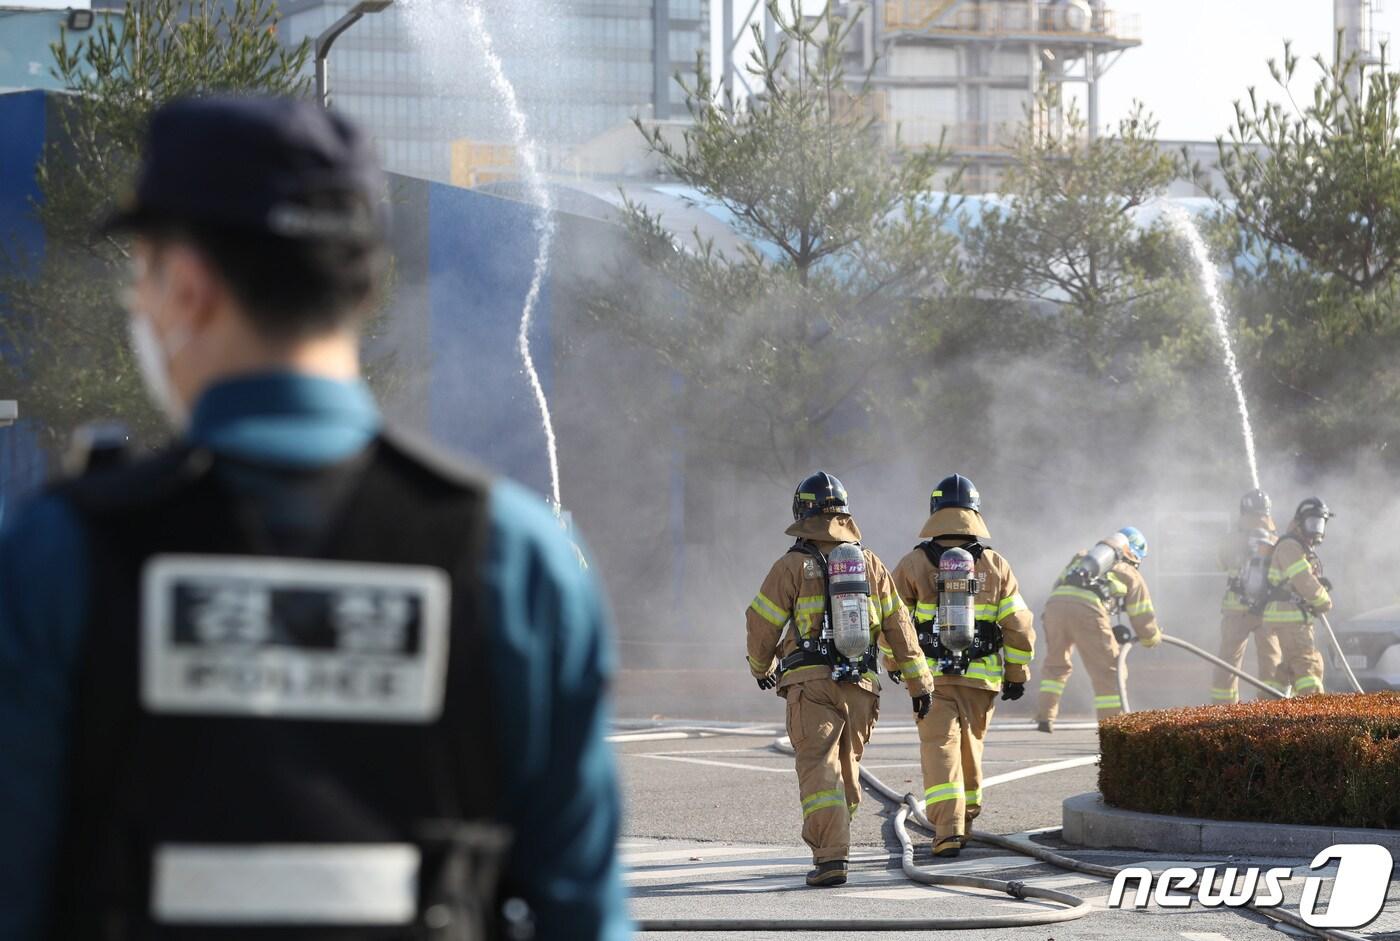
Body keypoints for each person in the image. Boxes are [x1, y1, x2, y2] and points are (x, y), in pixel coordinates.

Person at [0, 96, 627, 939]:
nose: (140, 306)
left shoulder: (57, 557)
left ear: (186, 285)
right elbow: (583, 914)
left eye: (141, 275)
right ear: (363, 286)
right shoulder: (520, 563)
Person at [746, 471, 934, 888]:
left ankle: (831, 856)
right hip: (862, 686)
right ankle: (837, 844)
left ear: (802, 513)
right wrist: (921, 683)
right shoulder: (868, 563)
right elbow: (899, 626)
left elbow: (761, 624)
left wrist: (760, 668)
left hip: (810, 684)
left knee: (819, 770)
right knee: (845, 770)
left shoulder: (791, 565)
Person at [890, 475, 1034, 858]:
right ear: (974, 513)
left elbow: (891, 621)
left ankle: (948, 830)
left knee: (940, 747)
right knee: (971, 749)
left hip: (930, 678)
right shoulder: (995, 564)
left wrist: (895, 663)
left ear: (935, 513)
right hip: (981, 678)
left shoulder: (913, 563)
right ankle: (964, 822)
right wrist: (1016, 674)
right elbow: (1019, 625)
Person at [1035, 527, 1161, 731]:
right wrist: (1151, 639)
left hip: (1055, 607)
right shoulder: (1129, 572)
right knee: (1109, 673)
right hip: (1088, 609)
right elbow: (1142, 614)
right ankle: (1113, 728)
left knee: (1056, 663)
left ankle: (1045, 716)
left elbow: (1059, 584)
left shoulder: (1081, 558)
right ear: (1134, 554)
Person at [1211, 489, 1284, 703]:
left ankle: (1224, 709)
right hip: (1266, 610)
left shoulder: (1232, 539)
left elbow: (1220, 563)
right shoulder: (1276, 540)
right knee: (1271, 660)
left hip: (1236, 610)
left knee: (1228, 660)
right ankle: (1270, 708)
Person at [1263, 497, 1334, 696]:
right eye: (1312, 523)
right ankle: (1314, 718)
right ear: (1300, 523)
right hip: (1290, 617)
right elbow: (1303, 580)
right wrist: (1323, 600)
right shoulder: (1289, 546)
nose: (1316, 530)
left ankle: (1267, 713)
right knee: (1307, 665)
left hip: (1293, 617)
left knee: (1288, 670)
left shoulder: (1299, 548)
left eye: (1320, 523)